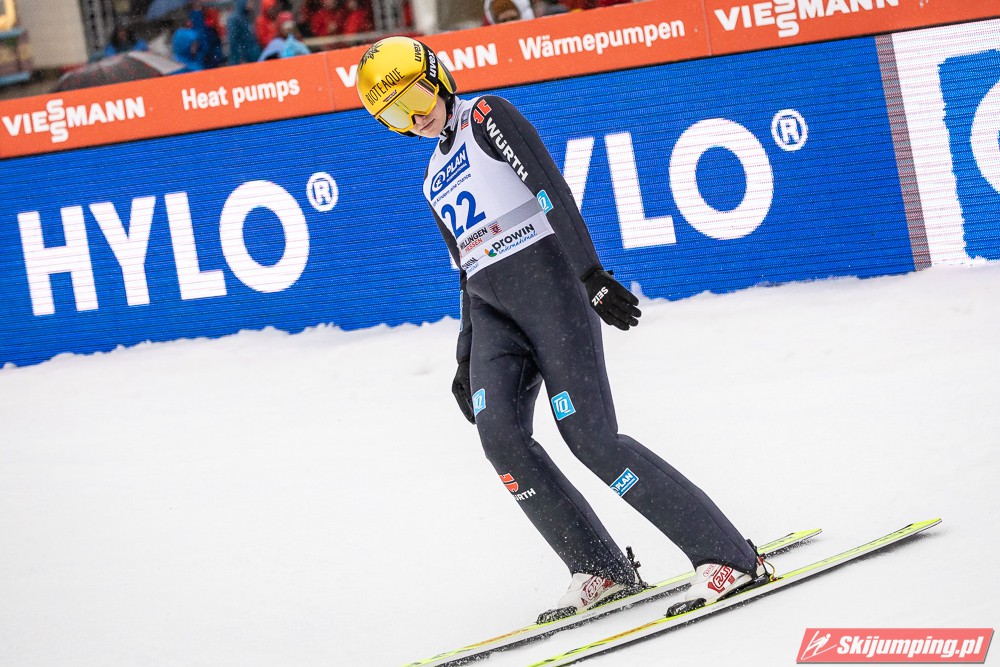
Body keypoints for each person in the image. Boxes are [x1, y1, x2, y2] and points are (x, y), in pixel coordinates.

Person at [355, 36, 773, 621]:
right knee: (501, 440)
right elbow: (465, 269)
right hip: (493, 314)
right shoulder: (430, 178)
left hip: (549, 291)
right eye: (396, 113)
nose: (415, 115)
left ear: (440, 79)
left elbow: (551, 190)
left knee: (590, 439)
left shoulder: (486, 116)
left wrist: (590, 274)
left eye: (417, 97)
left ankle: (727, 556)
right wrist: (464, 356)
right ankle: (597, 567)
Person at [227, 0, 262, 64]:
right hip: (244, 60)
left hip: (252, 57)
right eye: (250, 1)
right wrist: (241, 58)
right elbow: (234, 41)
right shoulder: (234, 19)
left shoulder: (248, 16)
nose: (251, 4)